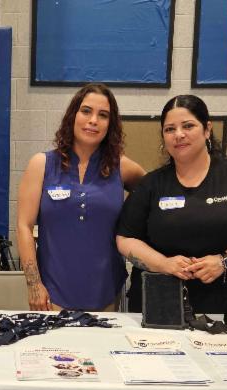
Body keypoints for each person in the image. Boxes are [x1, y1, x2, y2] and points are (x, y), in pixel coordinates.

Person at [115, 94, 227, 314]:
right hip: (158, 305)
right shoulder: (151, 184)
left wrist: (224, 262)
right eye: (170, 129)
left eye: (188, 126)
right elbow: (125, 238)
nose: (179, 135)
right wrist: (163, 264)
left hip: (226, 302)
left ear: (207, 129)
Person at [16, 83, 146, 311]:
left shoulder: (122, 167)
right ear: (73, 115)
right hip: (52, 295)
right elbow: (24, 226)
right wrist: (33, 284)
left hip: (106, 295)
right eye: (86, 111)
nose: (93, 120)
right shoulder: (42, 164)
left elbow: (153, 194)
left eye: (103, 115)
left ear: (110, 124)